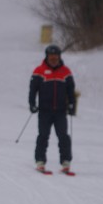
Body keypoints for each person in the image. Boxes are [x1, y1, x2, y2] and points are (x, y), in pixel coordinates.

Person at [29, 44, 76, 173]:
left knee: (63, 137)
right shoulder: (39, 71)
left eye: (56, 56)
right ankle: (40, 161)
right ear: (47, 56)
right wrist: (32, 104)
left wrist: (72, 104)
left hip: (60, 111)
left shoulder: (66, 72)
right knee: (43, 136)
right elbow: (33, 90)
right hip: (44, 111)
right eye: (51, 56)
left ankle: (66, 162)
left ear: (59, 56)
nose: (53, 58)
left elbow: (71, 90)